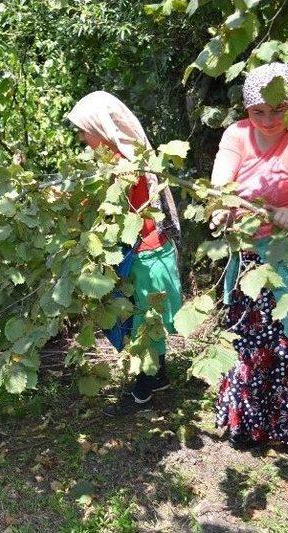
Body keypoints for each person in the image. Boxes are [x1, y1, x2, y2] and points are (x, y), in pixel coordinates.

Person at [210, 63, 288, 449]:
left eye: (278, 109)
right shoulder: (237, 134)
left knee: (286, 343)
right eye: (258, 111)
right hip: (249, 256)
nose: (267, 119)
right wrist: (218, 205)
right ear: (246, 110)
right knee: (248, 340)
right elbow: (221, 180)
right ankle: (245, 424)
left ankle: (285, 427)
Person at [66, 91, 183, 416]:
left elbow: (105, 208)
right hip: (147, 254)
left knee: (142, 324)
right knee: (147, 319)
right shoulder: (130, 157)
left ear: (100, 129)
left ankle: (141, 394)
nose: (81, 138)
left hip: (145, 259)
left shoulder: (123, 167)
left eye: (83, 130)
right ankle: (158, 378)